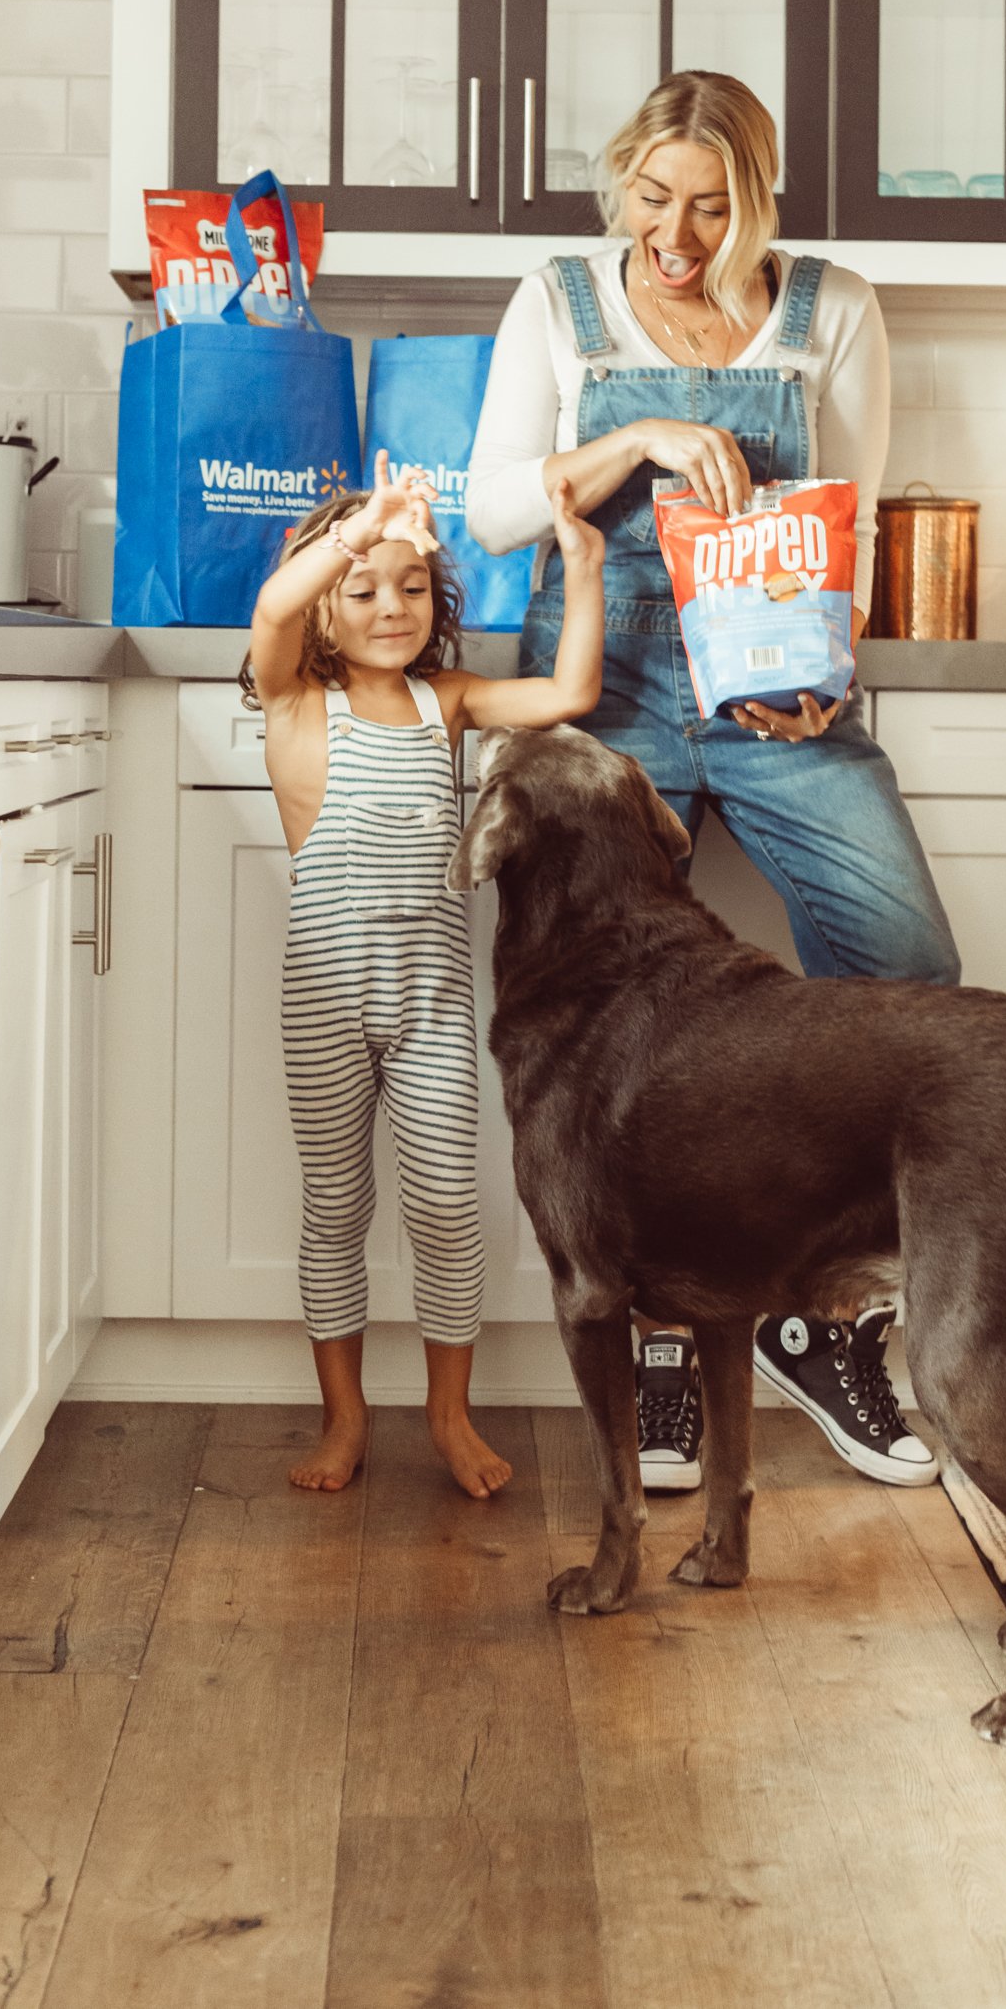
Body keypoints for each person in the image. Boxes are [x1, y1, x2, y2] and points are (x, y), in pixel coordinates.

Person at [466, 70, 960, 1495]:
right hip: (602, 700)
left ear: (759, 201)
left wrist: (823, 652)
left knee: (907, 979)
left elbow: (840, 527)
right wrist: (629, 441)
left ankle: (823, 1321)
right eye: (653, 197)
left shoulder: (832, 310)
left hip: (777, 704)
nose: (677, 235)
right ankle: (672, 1336)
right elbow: (494, 506)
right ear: (619, 180)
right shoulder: (557, 303)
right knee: (622, 1029)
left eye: (711, 206)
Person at [243, 451, 604, 1498]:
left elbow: (572, 688)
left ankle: (449, 1415)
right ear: (324, 612)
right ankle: (344, 1416)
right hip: (324, 1003)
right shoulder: (294, 705)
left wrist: (578, 564)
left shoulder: (444, 702)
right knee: (335, 1207)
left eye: (410, 585)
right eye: (360, 590)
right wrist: (359, 531)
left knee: (448, 1206)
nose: (389, 605)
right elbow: (272, 604)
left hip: (433, 1006)